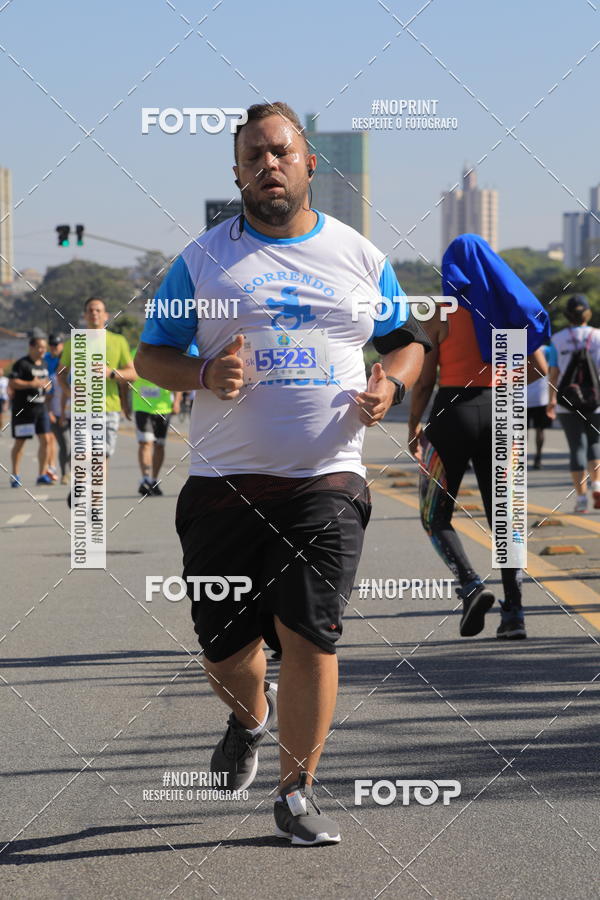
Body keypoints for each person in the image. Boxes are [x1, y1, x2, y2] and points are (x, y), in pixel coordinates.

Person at [135, 100, 429, 845]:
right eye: (254, 156)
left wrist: (390, 384)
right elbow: (148, 356)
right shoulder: (200, 261)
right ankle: (250, 714)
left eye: (281, 152)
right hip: (223, 483)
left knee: (311, 635)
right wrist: (202, 372)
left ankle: (296, 792)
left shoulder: (360, 257)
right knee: (223, 651)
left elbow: (407, 342)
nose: (269, 164)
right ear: (236, 172)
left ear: (309, 164)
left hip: (325, 479)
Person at [409, 234, 549, 641]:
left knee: (434, 514)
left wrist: (414, 423)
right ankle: (515, 613)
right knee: (506, 518)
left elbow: (424, 380)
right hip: (503, 412)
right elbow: (540, 369)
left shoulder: (442, 311)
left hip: (452, 412)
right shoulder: (508, 309)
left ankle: (470, 585)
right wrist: (503, 380)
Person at [59, 297, 137, 504]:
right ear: (85, 316)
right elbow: (59, 375)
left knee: (101, 459)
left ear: (105, 315)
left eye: (98, 310)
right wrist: (69, 392)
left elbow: (132, 374)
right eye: (90, 310)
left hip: (109, 409)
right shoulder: (74, 342)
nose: (94, 313)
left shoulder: (117, 341)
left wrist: (110, 373)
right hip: (82, 409)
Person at [548, 294, 600, 513]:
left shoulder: (557, 340)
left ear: (568, 315)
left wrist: (551, 400)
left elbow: (554, 373)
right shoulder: (598, 336)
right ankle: (597, 485)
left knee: (576, 448)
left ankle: (581, 499)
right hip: (596, 401)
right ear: (587, 313)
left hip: (567, 403)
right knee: (595, 444)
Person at [130, 350, 181, 496]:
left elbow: (177, 377)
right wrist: (124, 403)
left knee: (159, 445)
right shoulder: (135, 353)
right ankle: (145, 478)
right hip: (142, 406)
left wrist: (177, 401)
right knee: (145, 442)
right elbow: (126, 376)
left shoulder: (167, 353)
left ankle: (153, 480)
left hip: (163, 408)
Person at [8, 334, 53, 486]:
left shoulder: (44, 364)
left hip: (41, 409)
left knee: (46, 440)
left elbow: (46, 382)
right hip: (24, 410)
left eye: (44, 348)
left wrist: (48, 386)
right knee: (20, 442)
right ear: (31, 347)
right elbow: (13, 382)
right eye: (39, 347)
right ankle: (15, 474)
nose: (42, 350)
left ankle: (42, 474)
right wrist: (31, 384)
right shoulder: (21, 364)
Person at [44, 333, 69, 483]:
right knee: (61, 443)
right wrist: (50, 411)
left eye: (57, 345)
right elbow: (48, 393)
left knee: (77, 445)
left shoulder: (71, 361)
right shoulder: (46, 361)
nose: (54, 348)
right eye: (51, 345)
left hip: (72, 411)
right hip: (55, 411)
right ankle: (60, 472)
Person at [527, 343, 556, 469]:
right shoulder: (547, 350)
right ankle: (538, 458)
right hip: (541, 395)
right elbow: (552, 370)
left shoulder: (518, 347)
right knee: (540, 429)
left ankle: (520, 459)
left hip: (522, 395)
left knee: (521, 431)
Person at [0, 366, 8, 433]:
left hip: (3, 399)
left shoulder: (5, 380)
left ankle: (1, 429)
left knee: (1, 416)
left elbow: (8, 391)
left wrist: (6, 402)